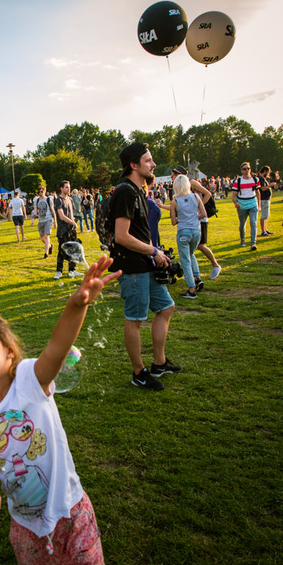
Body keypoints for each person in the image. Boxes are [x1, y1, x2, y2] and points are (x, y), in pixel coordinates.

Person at [0, 260, 118, 565]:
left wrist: (78, 303)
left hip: (72, 513)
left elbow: (57, 347)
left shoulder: (30, 379)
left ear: (9, 351)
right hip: (24, 526)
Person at [111, 142, 180, 391]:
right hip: (131, 268)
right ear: (134, 165)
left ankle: (159, 363)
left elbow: (141, 232)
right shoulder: (125, 192)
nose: (153, 164)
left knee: (166, 307)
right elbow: (121, 235)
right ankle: (139, 373)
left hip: (146, 264)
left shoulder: (139, 190)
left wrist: (157, 254)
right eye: (148, 160)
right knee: (135, 319)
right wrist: (152, 251)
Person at [171, 167, 220, 281]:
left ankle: (215, 265)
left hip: (199, 219)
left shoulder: (191, 182)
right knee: (190, 249)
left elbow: (207, 194)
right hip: (193, 220)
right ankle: (191, 273)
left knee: (200, 246)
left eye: (173, 175)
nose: (172, 178)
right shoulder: (182, 188)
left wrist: (198, 207)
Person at [170, 175, 207, 300]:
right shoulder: (195, 197)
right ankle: (197, 278)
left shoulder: (175, 201)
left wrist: (182, 218)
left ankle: (191, 289)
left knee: (185, 260)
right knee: (191, 255)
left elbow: (173, 222)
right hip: (196, 231)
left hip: (183, 232)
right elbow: (203, 213)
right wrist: (194, 218)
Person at [53, 181, 81, 280]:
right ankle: (59, 271)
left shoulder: (70, 199)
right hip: (62, 230)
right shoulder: (58, 200)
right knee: (62, 251)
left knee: (74, 249)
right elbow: (61, 216)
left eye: (69, 187)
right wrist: (72, 222)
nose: (68, 189)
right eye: (66, 187)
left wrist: (74, 224)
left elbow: (71, 214)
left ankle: (72, 270)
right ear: (61, 188)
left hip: (71, 230)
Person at [231, 162, 260, 251]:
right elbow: (234, 194)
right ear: (241, 171)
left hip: (253, 203)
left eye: (248, 168)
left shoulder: (255, 179)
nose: (246, 170)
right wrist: (236, 203)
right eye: (244, 169)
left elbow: (258, 193)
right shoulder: (238, 181)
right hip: (242, 204)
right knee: (242, 224)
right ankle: (243, 240)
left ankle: (253, 243)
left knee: (253, 222)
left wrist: (259, 204)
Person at [33, 186, 55, 259]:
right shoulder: (37, 200)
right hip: (41, 220)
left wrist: (55, 222)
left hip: (48, 219)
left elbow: (52, 210)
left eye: (42, 191)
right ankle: (49, 246)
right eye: (39, 191)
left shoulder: (48, 199)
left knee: (46, 236)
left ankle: (46, 253)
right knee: (42, 238)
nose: (40, 193)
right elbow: (35, 210)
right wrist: (34, 217)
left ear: (45, 191)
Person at [258, 165, 274, 236]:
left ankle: (265, 229)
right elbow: (262, 188)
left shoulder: (263, 178)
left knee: (266, 215)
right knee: (263, 215)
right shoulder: (261, 178)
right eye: (268, 172)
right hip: (263, 199)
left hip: (266, 199)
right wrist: (270, 185)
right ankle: (263, 231)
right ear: (265, 171)